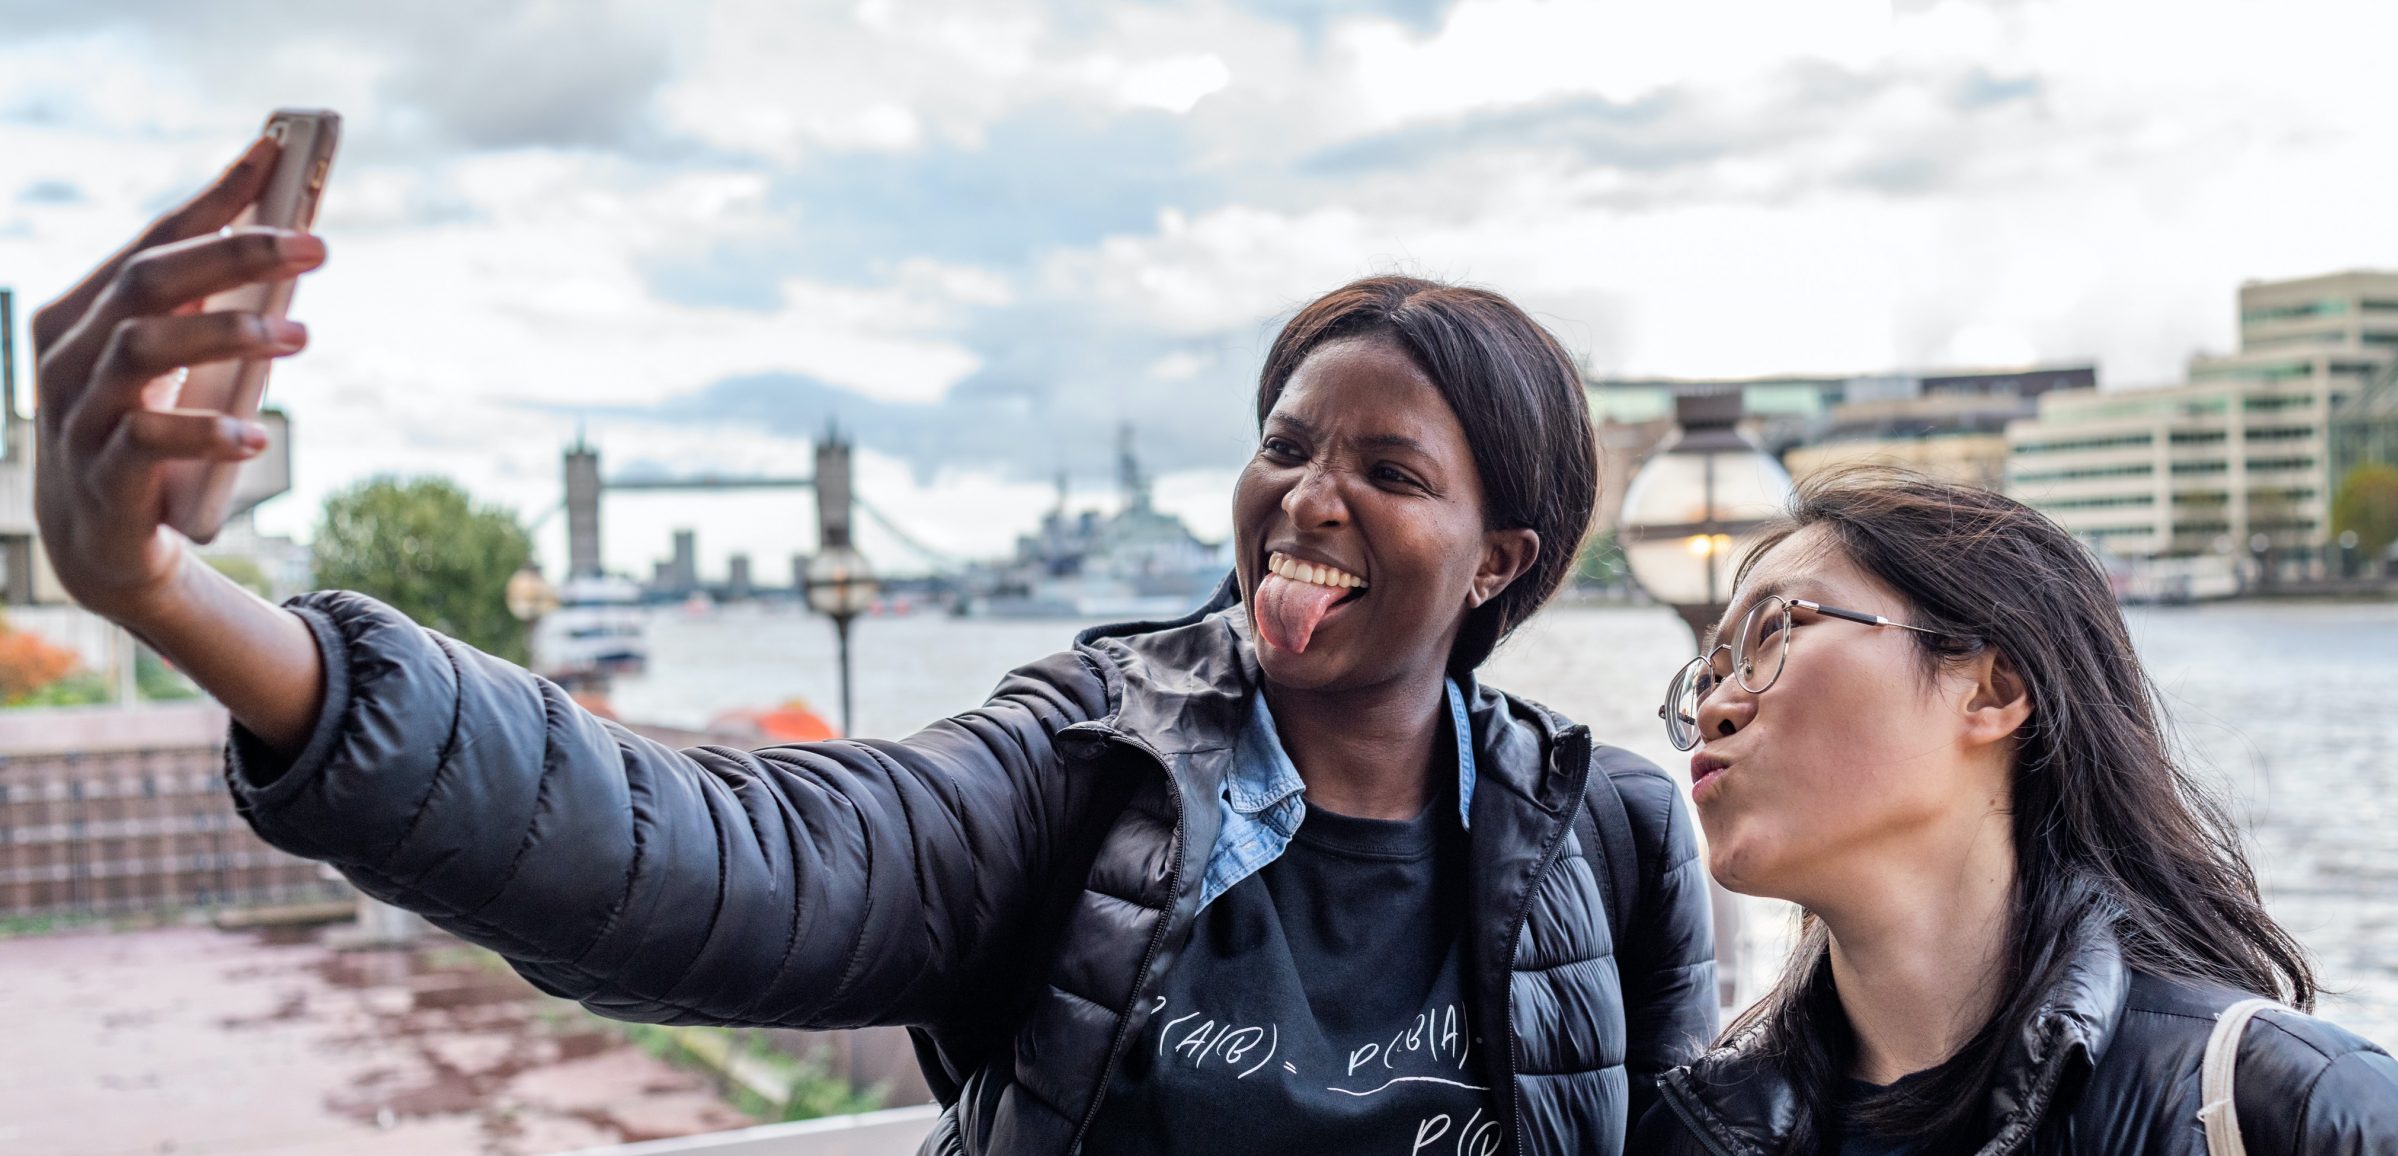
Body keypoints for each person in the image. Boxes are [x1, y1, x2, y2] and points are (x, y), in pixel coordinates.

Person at [31, 136, 1717, 1156]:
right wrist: (173, 596)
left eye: (1388, 470)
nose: (1307, 497)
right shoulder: (1088, 763)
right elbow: (718, 857)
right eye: (1286, 441)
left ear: (1505, 557)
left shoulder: (1616, 836)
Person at [1629, 470, 2398, 1155]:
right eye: (1705, 677)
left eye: (1777, 631)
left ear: (1994, 689)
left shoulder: (2277, 1105)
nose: (1716, 706)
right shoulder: (1696, 1130)